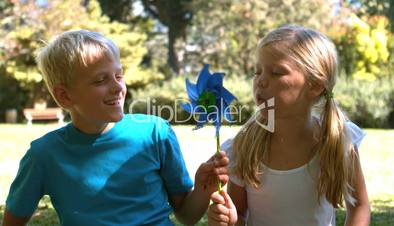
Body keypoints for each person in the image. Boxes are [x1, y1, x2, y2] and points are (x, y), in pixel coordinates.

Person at [2, 30, 229, 226]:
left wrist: (202, 188)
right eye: (100, 80)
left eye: (119, 75)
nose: (118, 87)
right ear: (65, 95)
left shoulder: (155, 133)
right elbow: (13, 220)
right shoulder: (44, 155)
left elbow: (187, 216)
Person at [207, 25, 370, 226]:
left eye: (276, 72)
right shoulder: (243, 147)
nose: (261, 81)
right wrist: (229, 220)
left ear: (315, 86)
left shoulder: (338, 140)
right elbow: (238, 213)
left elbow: (360, 206)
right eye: (257, 72)